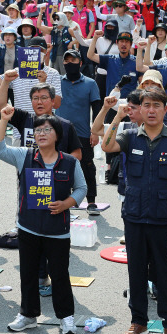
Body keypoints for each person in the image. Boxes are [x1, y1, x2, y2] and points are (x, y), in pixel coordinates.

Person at [102, 87, 167, 334]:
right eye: (147, 106)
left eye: (157, 105)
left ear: (165, 110)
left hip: (165, 218)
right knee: (136, 271)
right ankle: (139, 321)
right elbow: (106, 145)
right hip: (134, 215)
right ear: (140, 110)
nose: (151, 110)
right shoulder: (130, 136)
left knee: (164, 271)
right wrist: (118, 117)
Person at [0, 110, 87, 334]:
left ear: (57, 136)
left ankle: (66, 318)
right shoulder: (24, 155)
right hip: (28, 227)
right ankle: (28, 315)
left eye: (47, 130)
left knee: (60, 274)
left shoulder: (70, 162)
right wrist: (4, 119)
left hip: (57, 230)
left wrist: (67, 203)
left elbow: (82, 188)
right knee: (29, 272)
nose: (41, 134)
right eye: (37, 130)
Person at [53, 49, 101, 214]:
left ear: (80, 63)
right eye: (66, 61)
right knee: (57, 167)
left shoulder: (90, 83)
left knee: (87, 166)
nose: (69, 63)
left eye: (73, 60)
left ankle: (91, 201)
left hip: (82, 133)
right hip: (59, 133)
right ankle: (62, 201)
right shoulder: (57, 81)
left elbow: (96, 109)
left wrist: (95, 131)